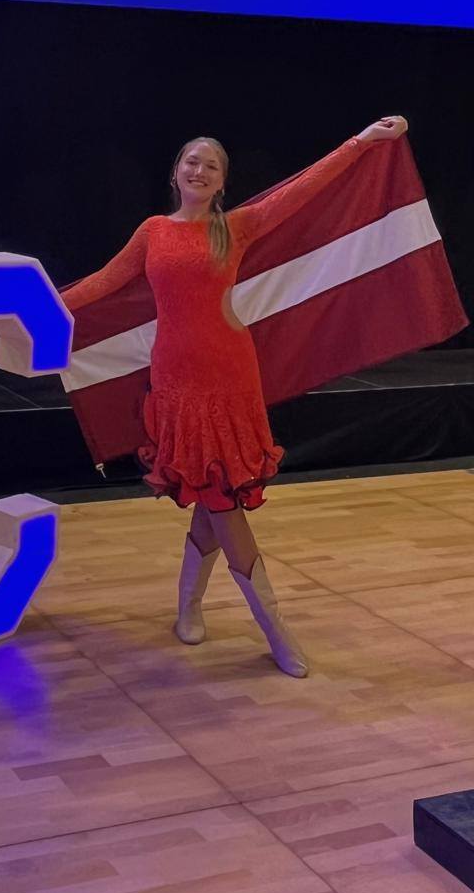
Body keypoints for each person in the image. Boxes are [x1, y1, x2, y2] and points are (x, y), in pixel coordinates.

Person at [60, 117, 409, 677]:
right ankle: (232, 619)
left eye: (212, 166)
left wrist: (362, 142)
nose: (199, 170)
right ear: (176, 172)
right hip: (177, 384)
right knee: (215, 499)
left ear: (222, 182)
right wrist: (31, 305)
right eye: (191, 161)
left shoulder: (237, 226)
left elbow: (305, 188)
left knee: (218, 498)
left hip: (230, 379)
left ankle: (247, 623)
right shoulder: (153, 231)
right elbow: (103, 282)